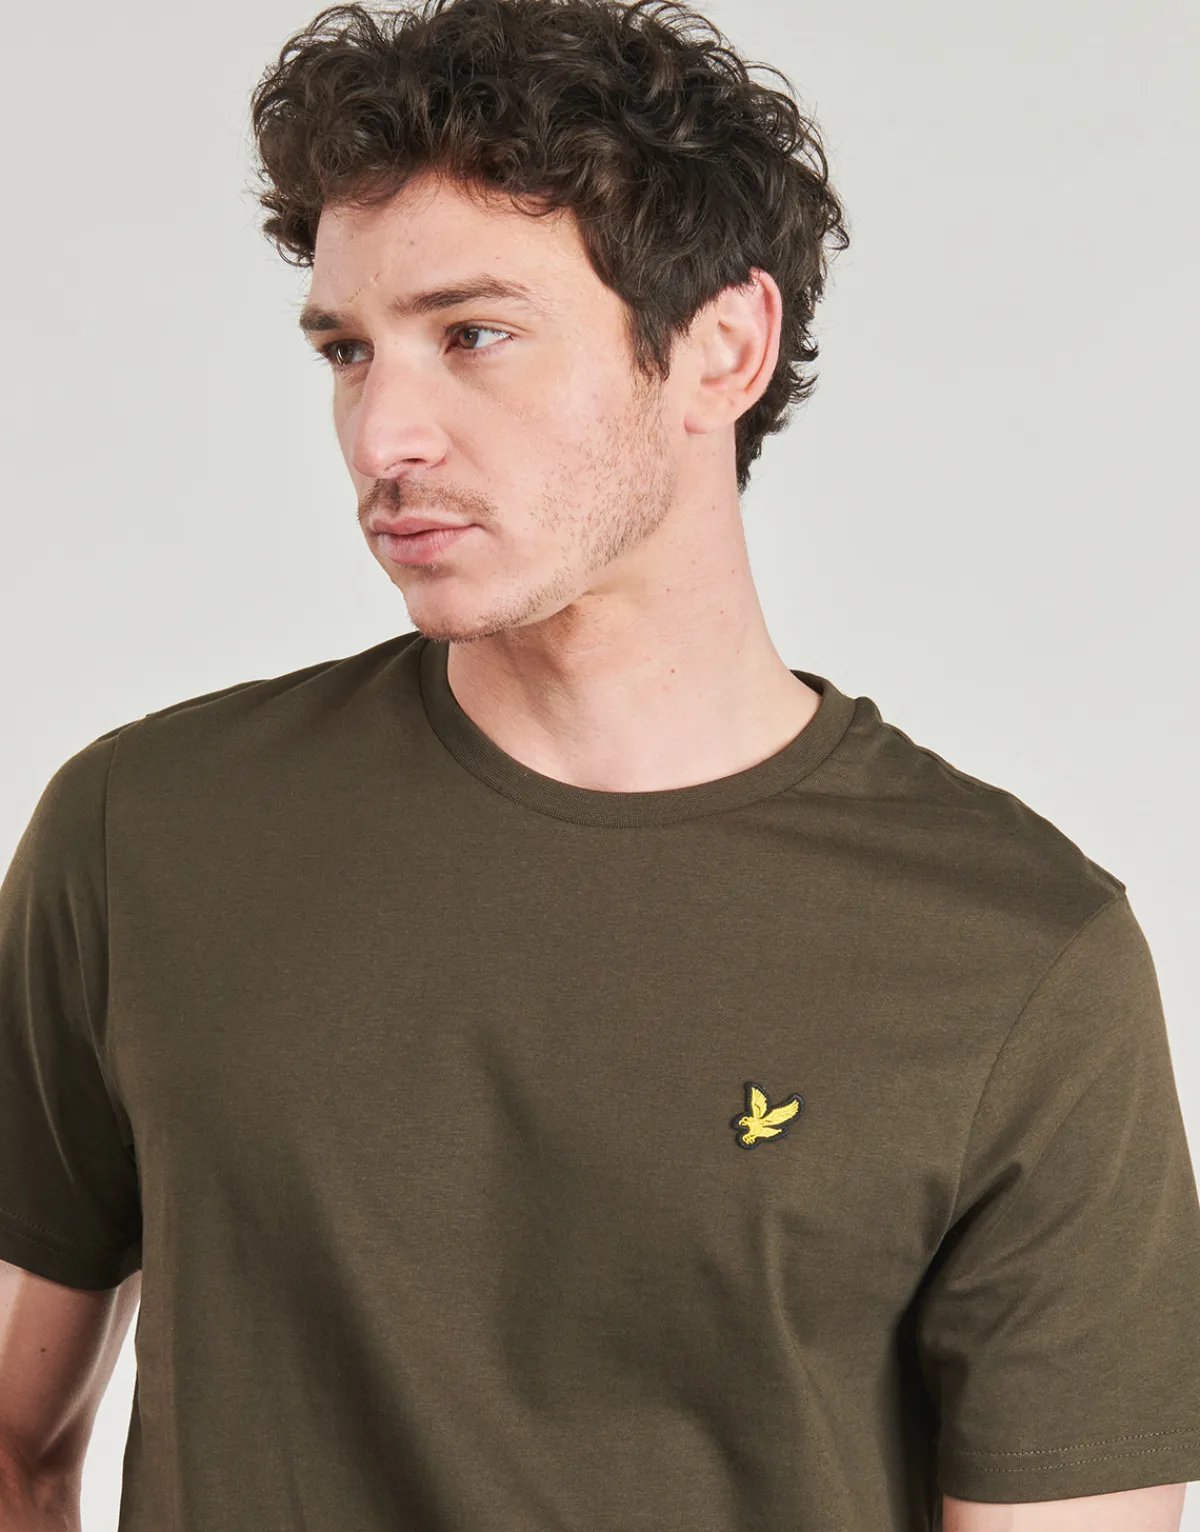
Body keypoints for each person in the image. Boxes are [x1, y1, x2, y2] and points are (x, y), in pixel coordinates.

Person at [0, 0, 1197, 1528]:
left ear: (720, 348)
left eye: (473, 335)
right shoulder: (146, 836)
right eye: (349, 351)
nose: (383, 435)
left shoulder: (1019, 958)